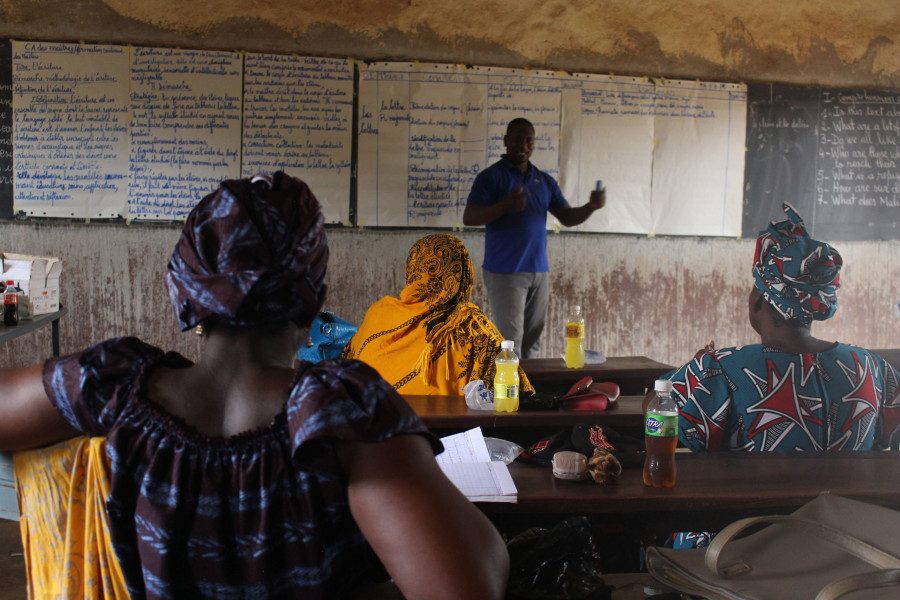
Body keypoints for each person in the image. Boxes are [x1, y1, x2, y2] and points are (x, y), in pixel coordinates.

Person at [0, 172, 509, 600]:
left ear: (183, 287)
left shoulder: (109, 384)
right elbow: (470, 584)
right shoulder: (341, 413)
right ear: (315, 300)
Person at [660, 203, 900, 453]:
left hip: (759, 493)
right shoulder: (872, 368)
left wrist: (695, 373)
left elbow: (658, 411)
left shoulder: (721, 368)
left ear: (759, 301)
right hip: (848, 494)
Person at [463, 118, 606, 358]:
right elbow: (469, 217)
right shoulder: (491, 177)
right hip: (505, 271)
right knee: (511, 342)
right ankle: (508, 393)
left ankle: (528, 395)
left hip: (539, 271)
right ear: (506, 141)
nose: (524, 144)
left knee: (532, 344)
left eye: (529, 139)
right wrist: (506, 205)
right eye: (518, 138)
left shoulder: (544, 180)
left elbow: (568, 217)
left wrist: (591, 206)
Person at [343, 233, 532, 396]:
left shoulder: (379, 313)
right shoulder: (471, 325)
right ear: (463, 274)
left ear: (412, 271)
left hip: (376, 427)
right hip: (450, 434)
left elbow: (349, 365)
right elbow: (518, 393)